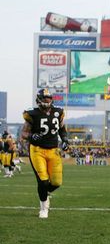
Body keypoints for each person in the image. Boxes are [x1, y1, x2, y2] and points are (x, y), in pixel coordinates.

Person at [20, 88, 70, 218]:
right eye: (44, 98)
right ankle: (43, 208)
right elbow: (24, 133)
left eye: (49, 98)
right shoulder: (32, 114)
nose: (47, 101)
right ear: (39, 100)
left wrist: (65, 139)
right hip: (37, 150)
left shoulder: (58, 112)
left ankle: (45, 192)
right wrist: (31, 136)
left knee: (56, 182)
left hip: (53, 150)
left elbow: (62, 128)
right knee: (42, 181)